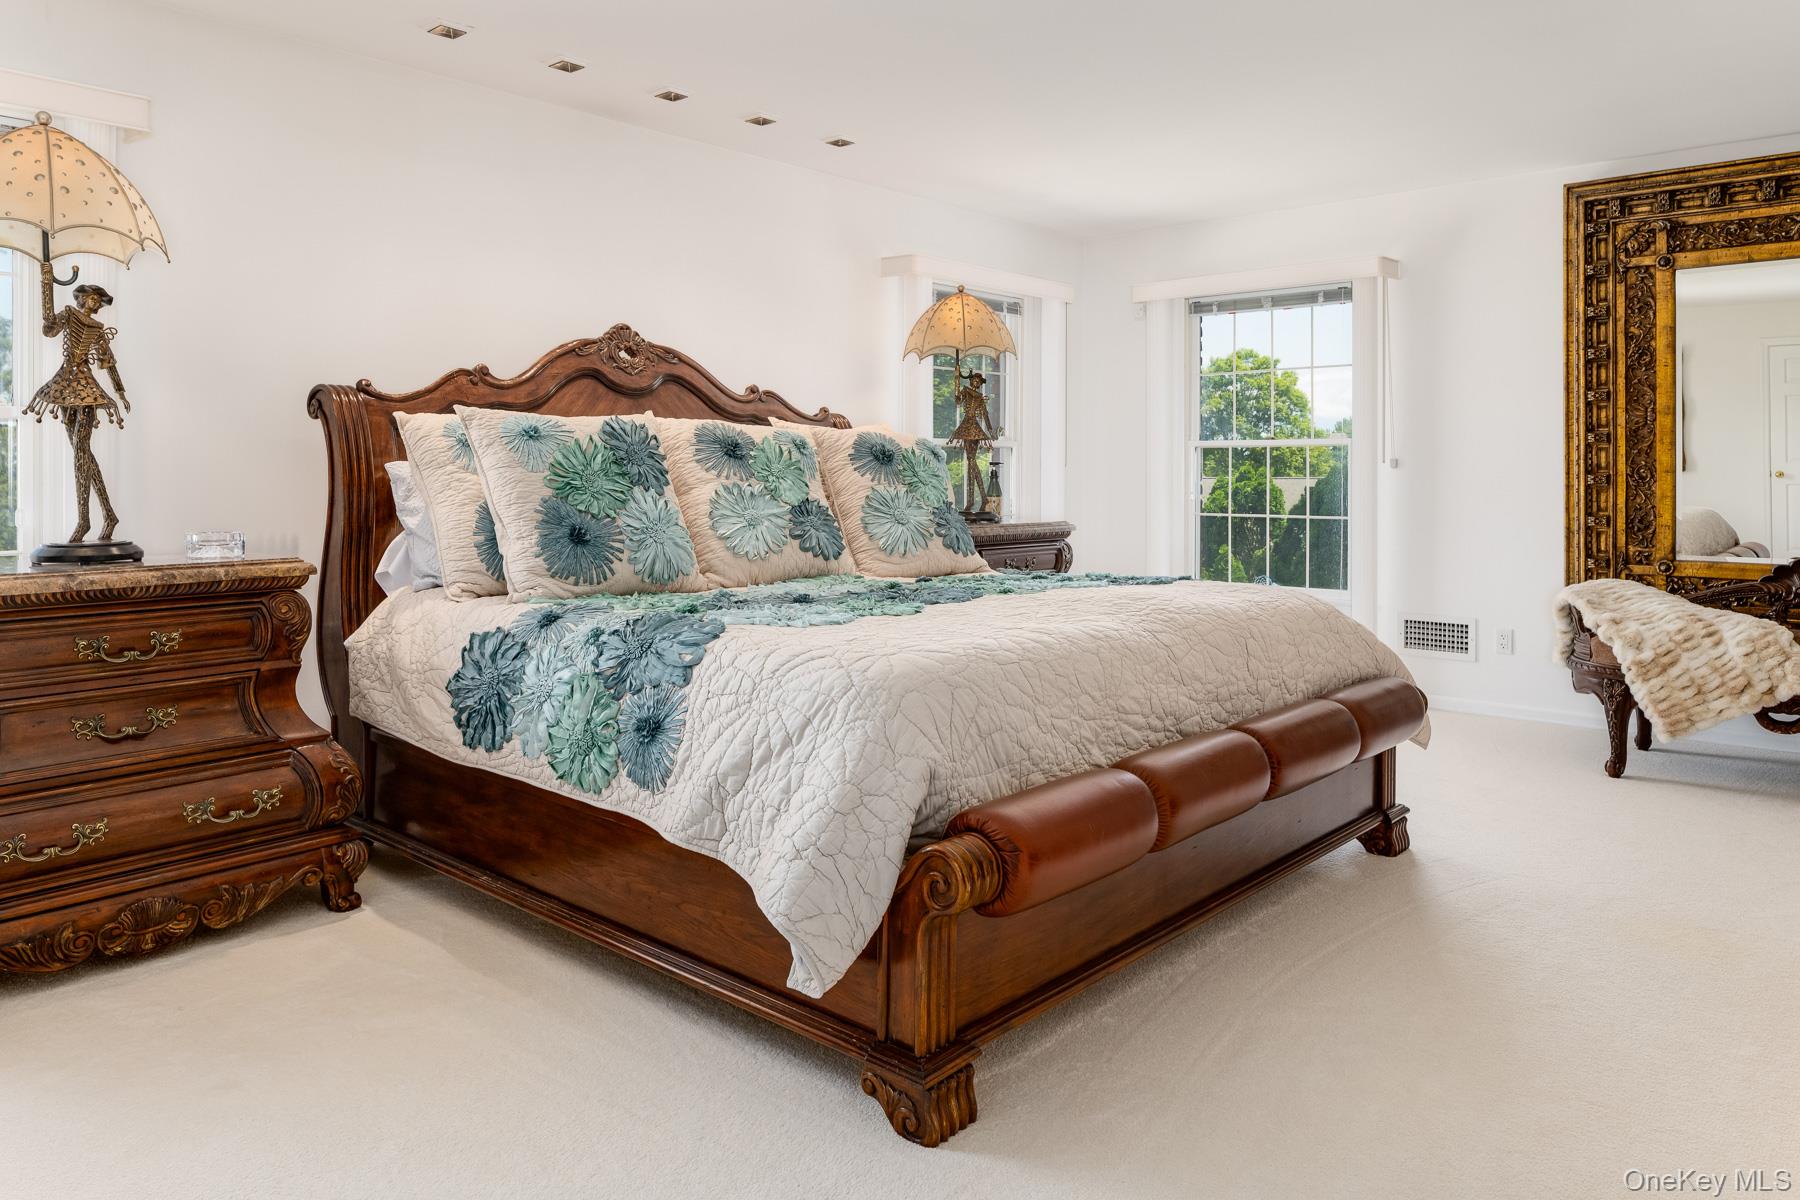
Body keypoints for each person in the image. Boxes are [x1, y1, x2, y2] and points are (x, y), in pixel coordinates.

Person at [26, 262, 128, 542]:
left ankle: (85, 520)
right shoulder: (69, 314)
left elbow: (108, 362)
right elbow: (49, 328)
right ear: (81, 298)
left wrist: (120, 392)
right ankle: (108, 514)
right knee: (81, 450)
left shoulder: (97, 327)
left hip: (85, 386)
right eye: (90, 297)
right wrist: (46, 283)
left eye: (98, 299)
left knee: (81, 448)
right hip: (64, 383)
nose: (93, 302)